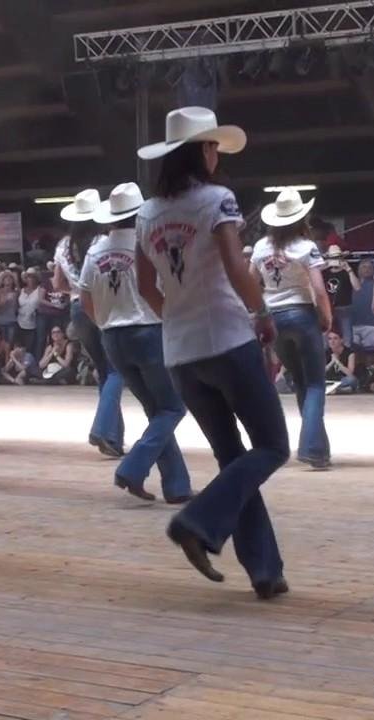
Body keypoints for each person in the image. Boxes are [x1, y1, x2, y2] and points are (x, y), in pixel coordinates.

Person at [136, 106, 290, 599]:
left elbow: (145, 286)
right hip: (227, 339)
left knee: (233, 461)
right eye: (213, 146)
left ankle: (265, 572)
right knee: (272, 446)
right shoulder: (217, 200)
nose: (216, 154)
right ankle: (199, 519)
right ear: (201, 150)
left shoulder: (146, 212)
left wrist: (176, 315)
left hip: (181, 352)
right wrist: (261, 312)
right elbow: (235, 264)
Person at [81, 181, 192, 503]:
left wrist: (104, 323)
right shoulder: (151, 244)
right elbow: (168, 289)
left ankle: (177, 486)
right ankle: (133, 467)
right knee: (172, 407)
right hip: (149, 331)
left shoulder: (96, 249)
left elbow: (85, 297)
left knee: (156, 410)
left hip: (113, 336)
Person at [251, 188, 333, 468]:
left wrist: (257, 313)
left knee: (300, 381)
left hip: (272, 314)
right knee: (315, 383)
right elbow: (319, 290)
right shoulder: (305, 247)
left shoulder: (261, 247)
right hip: (301, 312)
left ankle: (318, 449)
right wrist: (326, 316)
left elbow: (250, 285)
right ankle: (311, 446)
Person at [54, 189, 126, 457]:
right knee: (118, 370)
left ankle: (114, 439)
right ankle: (102, 428)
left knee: (105, 372)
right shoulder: (103, 241)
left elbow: (57, 284)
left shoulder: (62, 245)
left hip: (76, 308)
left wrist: (74, 290)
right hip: (104, 308)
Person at [322, 245, 359, 346]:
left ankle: (347, 357)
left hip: (344, 308)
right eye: (332, 258)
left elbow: (357, 287)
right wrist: (321, 268)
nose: (335, 260)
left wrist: (348, 269)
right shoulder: (324, 272)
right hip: (327, 309)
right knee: (325, 337)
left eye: (337, 257)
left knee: (347, 337)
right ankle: (328, 358)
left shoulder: (346, 272)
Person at [16, 268, 43, 355]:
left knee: (31, 347)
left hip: (33, 323)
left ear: (36, 279)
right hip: (19, 322)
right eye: (28, 277)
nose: (30, 279)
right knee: (19, 345)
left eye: (32, 277)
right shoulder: (21, 291)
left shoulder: (39, 290)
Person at [0, 270, 19, 342]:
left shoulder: (16, 293)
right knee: (0, 342)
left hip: (12, 321)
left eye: (10, 278)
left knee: (10, 342)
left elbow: (18, 308)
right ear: (2, 281)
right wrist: (3, 302)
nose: (8, 279)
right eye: (6, 278)